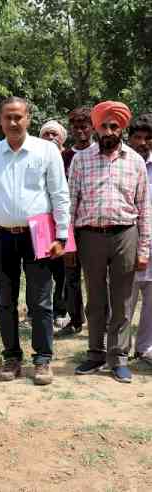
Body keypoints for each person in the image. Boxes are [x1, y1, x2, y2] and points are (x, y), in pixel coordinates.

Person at [0, 96, 70, 386]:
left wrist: (62, 235)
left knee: (40, 299)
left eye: (19, 117)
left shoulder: (46, 151)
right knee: (5, 300)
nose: (13, 122)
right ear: (0, 121)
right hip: (1, 234)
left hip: (39, 232)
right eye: (8, 117)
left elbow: (59, 194)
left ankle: (42, 359)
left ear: (29, 118)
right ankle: (12, 357)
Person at [71, 102, 150, 383]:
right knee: (95, 298)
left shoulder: (136, 161)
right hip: (90, 236)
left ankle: (118, 358)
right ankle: (94, 353)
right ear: (95, 127)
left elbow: (144, 209)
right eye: (103, 125)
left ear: (122, 128)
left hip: (125, 235)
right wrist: (69, 243)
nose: (108, 131)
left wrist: (144, 250)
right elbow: (72, 203)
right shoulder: (81, 160)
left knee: (123, 300)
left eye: (113, 126)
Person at [56, 107, 93, 337]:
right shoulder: (64, 157)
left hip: (92, 224)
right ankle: (75, 318)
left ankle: (101, 320)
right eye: (76, 126)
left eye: (85, 126)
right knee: (71, 274)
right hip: (69, 223)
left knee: (96, 276)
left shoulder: (99, 153)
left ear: (92, 127)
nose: (80, 130)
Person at [39, 119, 72, 332]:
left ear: (62, 138)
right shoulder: (35, 157)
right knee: (42, 269)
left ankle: (62, 310)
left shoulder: (70, 158)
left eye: (54, 134)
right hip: (40, 221)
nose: (50, 138)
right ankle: (40, 312)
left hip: (64, 218)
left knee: (63, 270)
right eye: (46, 134)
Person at [129, 116, 152, 365]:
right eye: (138, 137)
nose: (143, 142)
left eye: (148, 138)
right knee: (124, 299)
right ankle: (119, 349)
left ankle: (145, 348)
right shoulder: (122, 163)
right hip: (126, 242)